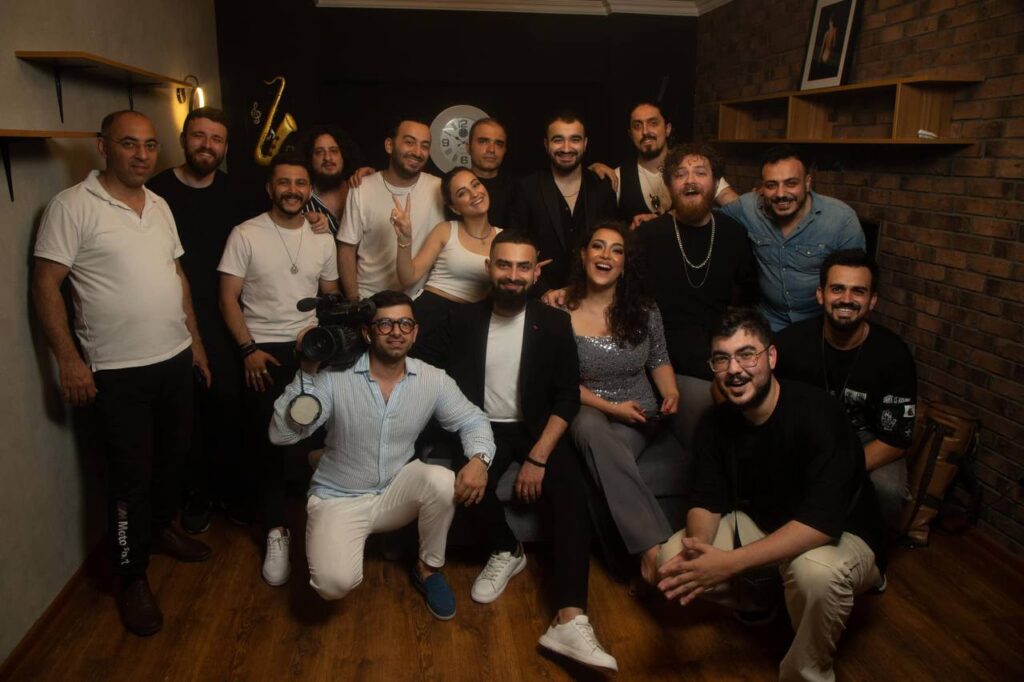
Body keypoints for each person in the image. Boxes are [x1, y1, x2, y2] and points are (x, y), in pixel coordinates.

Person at [33, 110, 212, 636]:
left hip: (174, 357)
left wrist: (197, 345)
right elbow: (46, 286)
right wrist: (68, 360)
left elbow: (177, 276)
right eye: (129, 144)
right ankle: (131, 576)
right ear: (103, 146)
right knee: (128, 478)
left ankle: (161, 530)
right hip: (116, 369)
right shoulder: (71, 206)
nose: (142, 155)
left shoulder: (158, 204)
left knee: (173, 459)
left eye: (150, 145)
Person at [419, 231, 618, 672]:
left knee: (571, 491)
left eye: (522, 267)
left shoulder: (553, 323)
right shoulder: (461, 319)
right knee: (464, 485)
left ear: (534, 273)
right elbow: (420, 368)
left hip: (535, 429)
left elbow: (567, 396)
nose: (512, 275)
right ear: (489, 267)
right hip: (478, 426)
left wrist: (539, 457)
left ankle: (570, 619)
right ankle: (507, 549)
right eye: (504, 265)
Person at [657, 306, 886, 682]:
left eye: (746, 354)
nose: (734, 369)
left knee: (814, 574)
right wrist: (700, 552)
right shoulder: (716, 422)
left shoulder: (818, 413)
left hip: (840, 534)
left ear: (772, 357)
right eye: (722, 358)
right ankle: (769, 599)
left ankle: (806, 673)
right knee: (675, 557)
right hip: (770, 525)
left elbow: (821, 523)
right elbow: (705, 500)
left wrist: (730, 564)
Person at [269, 290, 494, 620]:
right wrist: (306, 370)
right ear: (367, 332)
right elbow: (282, 434)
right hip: (340, 495)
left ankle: (427, 570)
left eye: (405, 324)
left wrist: (479, 460)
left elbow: (472, 419)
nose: (396, 332)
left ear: (415, 332)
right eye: (385, 324)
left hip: (394, 489)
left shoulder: (432, 380)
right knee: (332, 584)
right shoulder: (332, 378)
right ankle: (325, 464)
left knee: (441, 480)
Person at [218, 151, 340, 587]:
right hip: (262, 352)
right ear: (270, 188)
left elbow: (329, 296)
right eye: (284, 183)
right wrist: (247, 349)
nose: (292, 190)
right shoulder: (246, 233)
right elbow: (227, 297)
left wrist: (321, 342)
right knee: (266, 444)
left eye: (300, 183)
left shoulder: (321, 236)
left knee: (322, 439)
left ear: (309, 190)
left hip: (310, 348)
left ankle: (325, 529)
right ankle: (276, 529)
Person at [561, 221, 678, 583]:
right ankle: (654, 549)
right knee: (592, 429)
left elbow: (658, 358)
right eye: (598, 246)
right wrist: (613, 408)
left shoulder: (645, 310)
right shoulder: (559, 311)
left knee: (601, 464)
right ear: (584, 256)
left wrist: (671, 392)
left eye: (617, 250)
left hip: (639, 414)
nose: (606, 256)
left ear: (624, 265)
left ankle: (625, 566)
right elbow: (562, 382)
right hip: (586, 407)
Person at [147, 106, 246, 533]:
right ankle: (196, 495)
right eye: (199, 136)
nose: (207, 145)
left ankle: (230, 490)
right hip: (171, 318)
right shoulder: (155, 192)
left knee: (228, 406)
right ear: (184, 139)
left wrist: (315, 222)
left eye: (216, 139)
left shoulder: (237, 192)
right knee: (185, 417)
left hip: (225, 314)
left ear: (225, 147)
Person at [774, 250, 916, 527]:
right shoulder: (790, 342)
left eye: (858, 291)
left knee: (888, 490)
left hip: (867, 440)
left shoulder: (894, 355)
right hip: (805, 435)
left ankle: (869, 549)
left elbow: (895, 441)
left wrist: (838, 466)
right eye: (837, 289)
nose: (846, 299)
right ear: (821, 294)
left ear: (872, 300)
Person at [637, 144, 758, 448]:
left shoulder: (733, 234)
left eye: (700, 173)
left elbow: (747, 302)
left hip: (717, 356)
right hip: (665, 360)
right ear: (669, 185)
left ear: (715, 183)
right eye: (680, 174)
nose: (690, 180)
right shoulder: (647, 236)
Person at [716, 144, 865, 331]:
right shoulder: (749, 208)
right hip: (769, 320)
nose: (781, 194)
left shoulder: (841, 220)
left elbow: (858, 283)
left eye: (791, 183)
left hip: (820, 323)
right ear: (762, 188)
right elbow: (707, 216)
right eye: (771, 185)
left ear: (808, 182)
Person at [508, 112, 617, 297]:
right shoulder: (526, 189)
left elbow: (614, 242)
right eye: (558, 140)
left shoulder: (602, 187)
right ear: (546, 144)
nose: (566, 148)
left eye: (575, 139)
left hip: (593, 295)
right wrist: (544, 290)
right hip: (541, 297)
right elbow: (515, 245)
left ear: (585, 144)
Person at [337, 119, 445, 300]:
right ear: (389, 145)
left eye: (425, 146)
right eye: (409, 142)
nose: (417, 152)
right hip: (371, 300)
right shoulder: (362, 188)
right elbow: (347, 248)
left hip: (420, 302)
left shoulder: (439, 189)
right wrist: (354, 301)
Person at [393, 166, 502, 343]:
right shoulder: (445, 230)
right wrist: (404, 239)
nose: (474, 194)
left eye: (475, 184)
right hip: (432, 313)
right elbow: (408, 278)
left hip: (471, 321)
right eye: (462, 193)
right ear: (455, 208)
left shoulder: (503, 239)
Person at [302, 125, 368, 236]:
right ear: (310, 159)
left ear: (344, 156)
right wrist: (302, 220)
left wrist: (375, 178)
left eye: (334, 151)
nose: (327, 157)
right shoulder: (302, 199)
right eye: (319, 152)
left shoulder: (360, 188)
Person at [467, 117, 513, 228]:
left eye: (499, 144)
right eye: (483, 141)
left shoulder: (518, 190)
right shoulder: (455, 188)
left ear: (505, 150)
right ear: (468, 147)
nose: (491, 149)